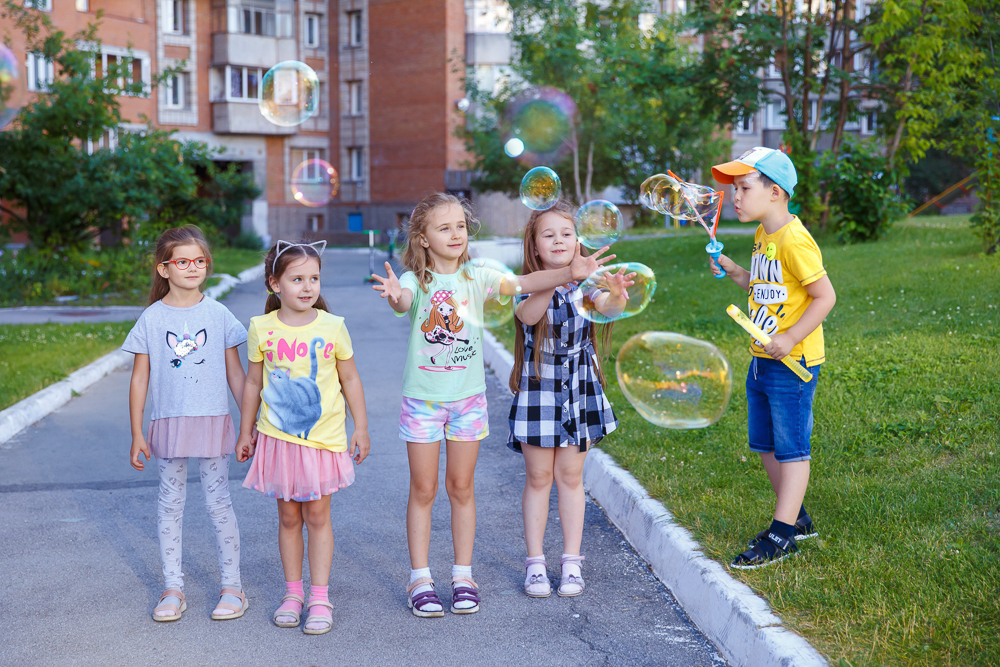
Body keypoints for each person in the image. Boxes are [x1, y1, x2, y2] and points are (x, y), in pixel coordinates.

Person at [370, 193, 614, 617]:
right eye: (443, 228)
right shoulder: (416, 281)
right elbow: (403, 302)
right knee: (424, 489)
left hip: (467, 401)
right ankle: (420, 578)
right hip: (424, 403)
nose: (455, 234)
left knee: (462, 488)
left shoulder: (478, 274)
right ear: (423, 239)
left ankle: (463, 575)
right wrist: (394, 294)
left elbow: (522, 286)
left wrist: (566, 273)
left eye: (460, 226)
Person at [709, 147, 837, 569]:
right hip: (763, 359)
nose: (736, 197)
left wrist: (790, 337)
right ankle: (797, 518)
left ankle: (782, 536)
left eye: (744, 188)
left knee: (792, 449)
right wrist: (734, 271)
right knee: (765, 444)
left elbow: (824, 296)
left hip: (792, 361)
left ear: (776, 192)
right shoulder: (764, 235)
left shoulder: (794, 239)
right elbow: (765, 287)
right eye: (735, 189)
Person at [237, 240, 371, 635]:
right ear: (274, 284)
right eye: (297, 279)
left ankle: (319, 597)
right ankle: (293, 594)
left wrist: (360, 426)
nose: (307, 286)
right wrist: (246, 431)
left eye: (313, 278)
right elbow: (252, 384)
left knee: (317, 516)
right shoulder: (262, 327)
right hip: (277, 439)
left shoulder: (333, 326)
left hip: (323, 441)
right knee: (288, 517)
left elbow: (350, 379)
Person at [507, 201, 634, 598]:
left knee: (570, 478)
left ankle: (572, 563)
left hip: (578, 388)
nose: (559, 240)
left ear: (578, 239)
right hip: (539, 390)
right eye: (549, 235)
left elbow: (610, 309)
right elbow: (529, 316)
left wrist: (615, 293)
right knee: (539, 478)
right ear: (535, 245)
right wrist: (558, 277)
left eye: (566, 233)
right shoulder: (526, 283)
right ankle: (535, 565)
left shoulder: (589, 283)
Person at [123, 224, 249, 622]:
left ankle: (233, 587)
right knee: (170, 505)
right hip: (169, 424)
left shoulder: (219, 314)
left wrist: (250, 424)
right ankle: (172, 588)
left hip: (212, 421)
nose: (193, 267)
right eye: (183, 261)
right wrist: (137, 433)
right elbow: (139, 377)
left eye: (200, 261)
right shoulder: (152, 318)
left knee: (218, 504)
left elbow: (236, 374)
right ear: (164, 269)